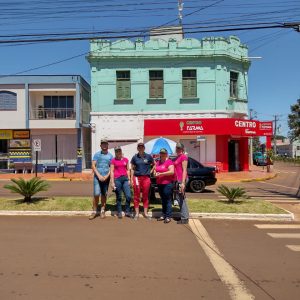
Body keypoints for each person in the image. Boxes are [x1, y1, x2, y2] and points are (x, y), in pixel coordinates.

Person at [90, 139, 113, 220]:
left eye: (105, 144)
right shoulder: (97, 155)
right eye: (103, 144)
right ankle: (94, 211)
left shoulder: (110, 156)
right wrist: (99, 175)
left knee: (104, 194)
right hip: (97, 177)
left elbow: (111, 168)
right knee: (96, 193)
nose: (104, 146)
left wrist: (107, 176)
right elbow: (93, 165)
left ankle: (102, 211)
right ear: (100, 145)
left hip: (106, 178)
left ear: (107, 145)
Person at [130, 142, 154, 221]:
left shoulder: (148, 156)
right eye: (139, 147)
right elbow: (132, 169)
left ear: (144, 148)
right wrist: (131, 179)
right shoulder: (134, 157)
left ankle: (145, 213)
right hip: (137, 178)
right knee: (136, 195)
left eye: (142, 147)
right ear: (137, 148)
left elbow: (154, 164)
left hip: (146, 178)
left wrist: (151, 171)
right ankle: (136, 213)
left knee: (145, 195)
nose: (140, 148)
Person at [154, 148, 174, 224]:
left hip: (167, 184)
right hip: (159, 183)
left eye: (164, 153)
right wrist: (155, 173)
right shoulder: (158, 162)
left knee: (168, 200)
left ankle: (168, 216)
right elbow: (155, 170)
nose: (162, 155)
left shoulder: (169, 162)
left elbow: (172, 172)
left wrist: (162, 174)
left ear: (166, 154)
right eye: (161, 153)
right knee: (163, 199)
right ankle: (163, 214)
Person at [110, 146, 132, 219]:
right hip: (117, 179)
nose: (118, 152)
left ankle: (127, 211)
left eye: (119, 151)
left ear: (121, 151)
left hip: (125, 179)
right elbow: (112, 171)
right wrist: (112, 182)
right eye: (116, 151)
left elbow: (128, 170)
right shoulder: (113, 160)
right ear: (115, 152)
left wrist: (129, 179)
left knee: (128, 196)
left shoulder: (126, 159)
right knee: (119, 196)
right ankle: (119, 212)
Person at [173, 142, 189, 224]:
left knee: (181, 198)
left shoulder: (183, 157)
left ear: (182, 149)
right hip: (177, 180)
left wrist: (183, 183)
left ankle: (185, 218)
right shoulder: (177, 157)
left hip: (181, 180)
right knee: (179, 198)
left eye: (179, 148)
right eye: (177, 148)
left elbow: (184, 170)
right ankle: (184, 216)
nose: (177, 149)